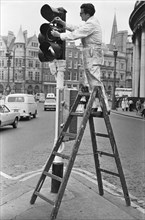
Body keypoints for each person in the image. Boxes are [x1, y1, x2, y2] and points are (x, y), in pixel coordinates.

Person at [51, 3, 110, 111]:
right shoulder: (89, 22)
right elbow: (77, 28)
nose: (80, 15)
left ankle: (104, 105)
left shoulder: (92, 24)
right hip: (90, 53)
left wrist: (59, 35)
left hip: (92, 54)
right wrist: (63, 23)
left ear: (87, 13)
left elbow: (76, 33)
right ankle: (96, 105)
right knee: (92, 81)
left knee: (95, 81)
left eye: (81, 13)